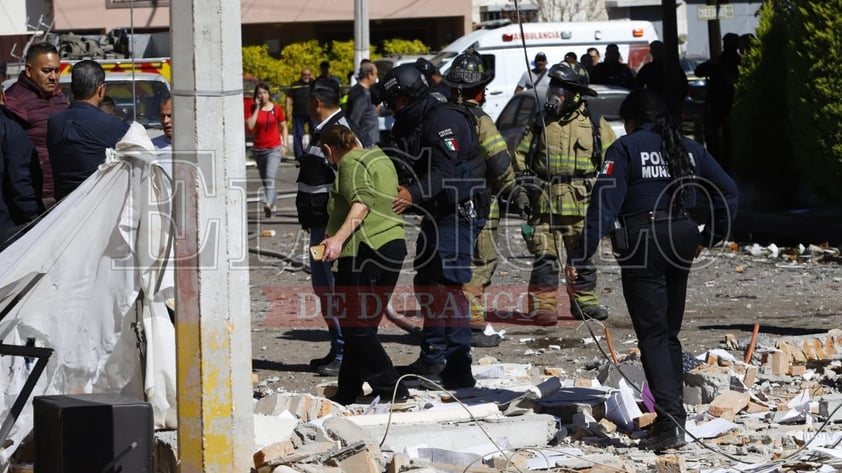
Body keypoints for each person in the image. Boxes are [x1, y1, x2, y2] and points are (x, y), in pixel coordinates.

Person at [565, 89, 738, 451]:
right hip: (683, 238)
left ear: (632, 119)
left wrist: (580, 258)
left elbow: (602, 208)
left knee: (654, 336)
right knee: (669, 333)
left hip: (644, 242)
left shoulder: (626, 148)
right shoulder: (690, 149)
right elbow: (728, 191)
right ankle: (670, 416)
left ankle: (671, 421)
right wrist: (714, 235)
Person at [379, 63, 489, 389]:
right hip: (436, 212)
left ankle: (458, 368)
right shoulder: (411, 124)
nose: (392, 108)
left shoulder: (445, 120)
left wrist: (411, 193)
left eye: (395, 101)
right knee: (428, 283)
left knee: (450, 287)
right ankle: (432, 357)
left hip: (459, 211)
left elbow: (445, 171)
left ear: (409, 95)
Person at [512, 63, 616, 325]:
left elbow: (612, 162)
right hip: (544, 204)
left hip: (581, 206)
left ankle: (585, 305)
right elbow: (520, 156)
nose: (554, 94)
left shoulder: (595, 125)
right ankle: (543, 308)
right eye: (554, 87)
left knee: (582, 258)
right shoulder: (540, 121)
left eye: (561, 89)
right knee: (545, 258)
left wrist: (609, 200)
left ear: (576, 94)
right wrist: (522, 189)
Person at [443, 50, 528, 348]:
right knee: (478, 262)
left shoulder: (439, 118)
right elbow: (500, 162)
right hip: (478, 204)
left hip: (442, 206)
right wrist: (515, 192)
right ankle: (473, 325)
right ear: (480, 91)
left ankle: (448, 323)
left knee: (449, 263)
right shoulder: (482, 121)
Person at [318, 124, 408, 405]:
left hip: (362, 251)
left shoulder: (350, 163)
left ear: (328, 150)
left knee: (355, 326)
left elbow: (361, 202)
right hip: (392, 246)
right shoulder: (380, 158)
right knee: (365, 325)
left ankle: (392, 386)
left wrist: (337, 239)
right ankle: (348, 389)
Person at [296, 77, 354, 377]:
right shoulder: (324, 131)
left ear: (316, 103)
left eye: (307, 101)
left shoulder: (339, 133)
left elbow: (351, 181)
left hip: (330, 229)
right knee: (324, 289)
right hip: (320, 226)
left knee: (331, 290)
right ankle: (338, 347)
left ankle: (344, 352)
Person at [47, 60, 130, 201]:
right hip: (96, 207)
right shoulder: (113, 125)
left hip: (61, 208)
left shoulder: (54, 122)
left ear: (72, 88)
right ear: (101, 89)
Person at [4, 42, 69, 208]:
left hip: (65, 192)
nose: (53, 76)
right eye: (46, 71)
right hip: (36, 196)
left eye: (56, 70)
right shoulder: (14, 101)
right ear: (28, 70)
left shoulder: (60, 97)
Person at [0, 86, 44, 249]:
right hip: (7, 229)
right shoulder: (9, 129)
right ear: (3, 96)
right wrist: (36, 219)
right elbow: (21, 183)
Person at [694, 33, 741, 171]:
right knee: (724, 136)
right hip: (724, 102)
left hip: (718, 102)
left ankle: (718, 161)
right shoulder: (735, 60)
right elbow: (700, 71)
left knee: (715, 136)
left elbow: (699, 71)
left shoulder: (720, 61)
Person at [247, 82, 288, 218]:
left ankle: (267, 202)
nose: (262, 95)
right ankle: (274, 205)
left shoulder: (276, 109)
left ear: (269, 94)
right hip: (259, 149)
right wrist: (257, 108)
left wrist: (285, 145)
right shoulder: (253, 108)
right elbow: (251, 125)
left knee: (270, 176)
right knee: (266, 180)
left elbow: (284, 126)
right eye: (259, 93)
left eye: (264, 92)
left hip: (274, 148)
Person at [634, 40, 689, 109]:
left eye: (658, 49)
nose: (656, 52)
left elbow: (684, 85)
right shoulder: (647, 69)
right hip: (654, 105)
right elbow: (637, 86)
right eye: (654, 50)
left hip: (670, 104)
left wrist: (677, 101)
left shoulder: (672, 67)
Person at [345, 61, 380, 148]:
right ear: (369, 75)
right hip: (366, 141)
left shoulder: (361, 91)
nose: (376, 77)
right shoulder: (362, 94)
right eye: (375, 74)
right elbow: (354, 119)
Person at [286, 68, 314, 161]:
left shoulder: (314, 84)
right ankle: (299, 155)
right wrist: (287, 110)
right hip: (298, 114)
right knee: (298, 135)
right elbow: (289, 98)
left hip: (312, 113)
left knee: (315, 133)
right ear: (301, 75)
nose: (306, 76)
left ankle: (313, 153)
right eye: (304, 74)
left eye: (308, 74)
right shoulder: (295, 85)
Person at [152, 96, 174, 177]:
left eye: (170, 116)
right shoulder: (151, 146)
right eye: (162, 116)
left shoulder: (196, 146)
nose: (165, 121)